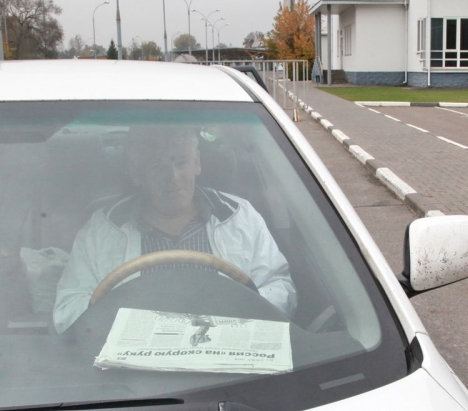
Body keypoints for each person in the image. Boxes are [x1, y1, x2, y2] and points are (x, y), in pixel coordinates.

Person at [53, 125, 297, 333]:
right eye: (159, 167)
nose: (174, 176)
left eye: (181, 163)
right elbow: (68, 308)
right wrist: (125, 327)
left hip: (229, 374)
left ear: (197, 163)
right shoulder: (102, 229)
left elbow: (279, 287)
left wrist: (237, 318)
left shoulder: (240, 216)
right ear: (137, 173)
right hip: (131, 381)